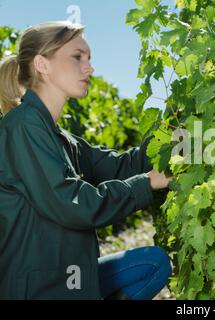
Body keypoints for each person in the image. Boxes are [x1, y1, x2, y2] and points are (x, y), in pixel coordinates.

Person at [0, 21, 172, 300]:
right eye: (77, 57)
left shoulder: (59, 137)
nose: (89, 67)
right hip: (39, 289)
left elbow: (121, 166)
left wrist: (170, 133)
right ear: (42, 64)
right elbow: (75, 204)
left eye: (89, 58)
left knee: (153, 263)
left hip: (68, 279)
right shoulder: (22, 127)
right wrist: (148, 182)